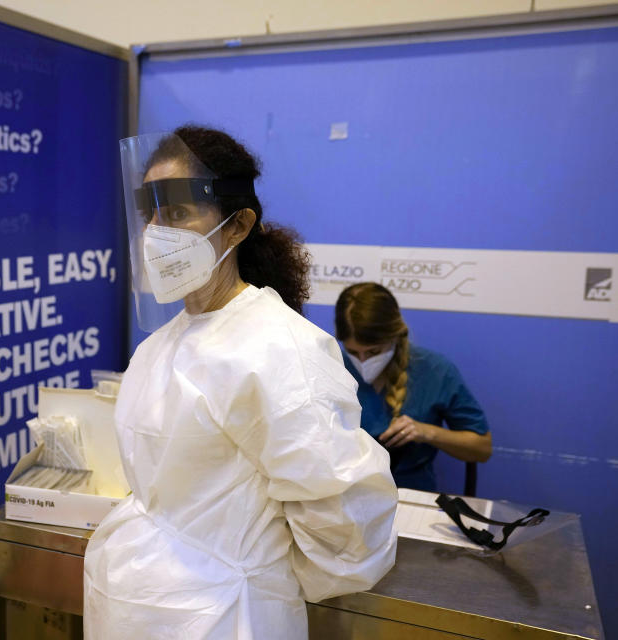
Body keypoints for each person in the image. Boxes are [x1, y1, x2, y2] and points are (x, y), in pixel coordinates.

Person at [83, 126, 398, 639]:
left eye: (179, 213)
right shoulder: (157, 347)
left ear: (236, 226)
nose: (158, 232)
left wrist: (252, 576)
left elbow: (344, 523)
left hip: (227, 617)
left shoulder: (279, 349)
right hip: (131, 608)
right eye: (152, 214)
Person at [334, 282, 492, 491]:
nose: (362, 361)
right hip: (345, 493)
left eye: (373, 352)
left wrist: (426, 432)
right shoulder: (332, 366)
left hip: (411, 495)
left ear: (395, 336)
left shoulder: (435, 370)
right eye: (353, 352)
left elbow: (481, 448)